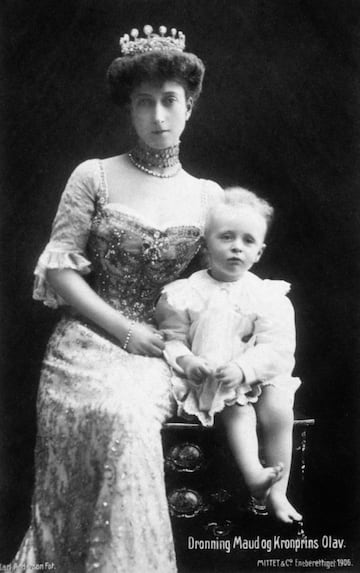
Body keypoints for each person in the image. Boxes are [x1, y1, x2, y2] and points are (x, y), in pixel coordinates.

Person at [11, 25, 222, 572]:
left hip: (160, 349)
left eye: (169, 101)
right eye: (144, 103)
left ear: (189, 108)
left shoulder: (207, 197)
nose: (157, 116)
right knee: (109, 411)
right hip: (85, 341)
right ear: (129, 109)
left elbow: (220, 285)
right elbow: (60, 274)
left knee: (129, 417)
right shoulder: (94, 176)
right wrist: (126, 332)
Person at [155, 187, 302, 523]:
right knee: (237, 410)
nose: (237, 246)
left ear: (259, 252)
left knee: (279, 411)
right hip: (215, 380)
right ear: (206, 244)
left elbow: (277, 347)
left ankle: (279, 494)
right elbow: (171, 340)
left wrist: (245, 368)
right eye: (226, 237)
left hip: (258, 372)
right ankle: (254, 475)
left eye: (248, 241)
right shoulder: (184, 294)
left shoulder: (268, 296)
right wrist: (189, 362)